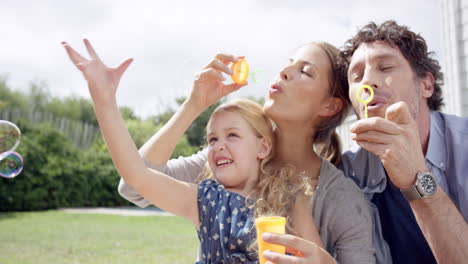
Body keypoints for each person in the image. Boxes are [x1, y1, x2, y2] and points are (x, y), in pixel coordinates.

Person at [61, 39, 338, 263]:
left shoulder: (291, 198)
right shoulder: (205, 200)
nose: (218, 145)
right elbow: (136, 175)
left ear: (263, 147)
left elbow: (317, 258)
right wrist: (105, 102)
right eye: (212, 139)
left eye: (232, 135)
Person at [118, 42, 379, 263]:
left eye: (305, 71)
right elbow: (133, 187)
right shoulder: (231, 158)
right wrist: (194, 103)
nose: (284, 71)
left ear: (329, 105)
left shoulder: (343, 200)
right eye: (288, 63)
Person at [261, 20, 468, 264]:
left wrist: (416, 179)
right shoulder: (348, 175)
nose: (368, 82)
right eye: (356, 76)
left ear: (426, 84)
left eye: (386, 67)